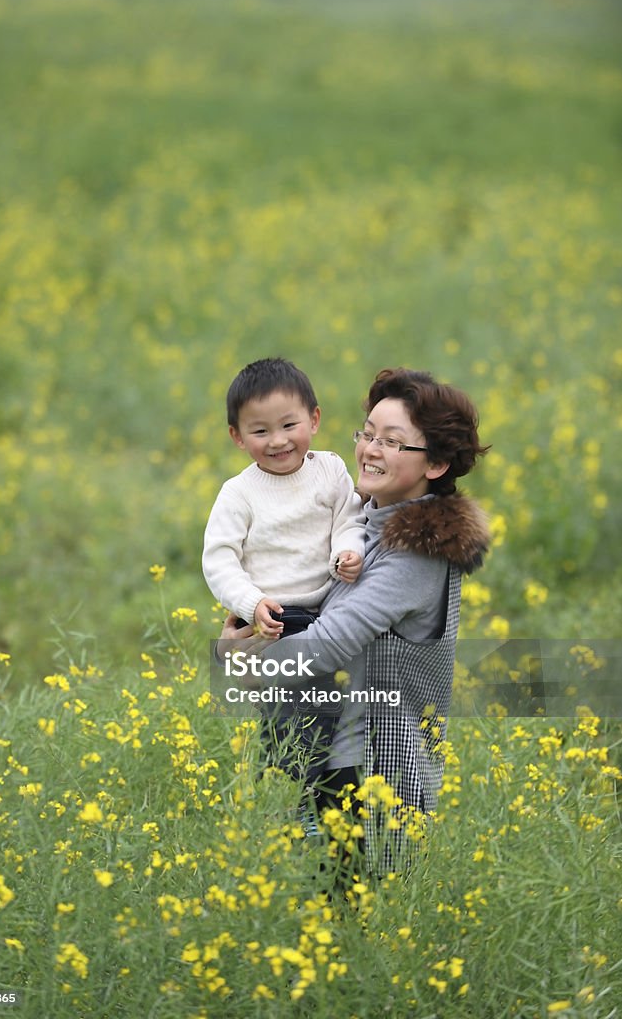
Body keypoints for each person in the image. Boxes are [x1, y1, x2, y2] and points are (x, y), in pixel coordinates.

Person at [220, 366, 491, 871]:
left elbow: (324, 647)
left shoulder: (416, 556)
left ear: (434, 464)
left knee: (355, 924)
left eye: (391, 441)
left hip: (376, 782)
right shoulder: (360, 528)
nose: (368, 449)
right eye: (367, 433)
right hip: (330, 765)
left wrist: (238, 662)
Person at [203, 357, 366, 782]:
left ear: (314, 419)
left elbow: (349, 520)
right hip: (273, 615)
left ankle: (309, 798)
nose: (277, 441)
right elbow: (219, 560)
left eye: (288, 425)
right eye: (260, 431)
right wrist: (251, 603)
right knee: (295, 712)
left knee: (328, 712)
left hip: (328, 606)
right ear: (237, 437)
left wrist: (346, 553)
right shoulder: (239, 493)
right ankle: (297, 797)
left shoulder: (330, 469)